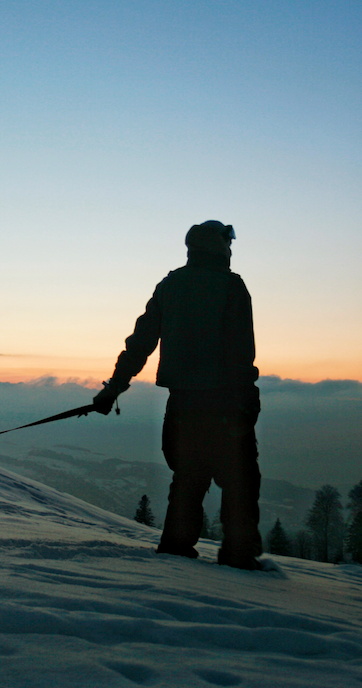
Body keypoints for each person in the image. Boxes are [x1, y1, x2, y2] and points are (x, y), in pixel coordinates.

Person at [93, 220, 262, 570]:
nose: (231, 249)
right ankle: (240, 560)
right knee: (241, 483)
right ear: (218, 246)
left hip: (182, 406)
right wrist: (247, 402)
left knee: (187, 479)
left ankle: (174, 555)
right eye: (228, 242)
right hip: (227, 405)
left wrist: (114, 387)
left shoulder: (169, 286)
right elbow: (241, 353)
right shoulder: (232, 288)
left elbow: (140, 344)